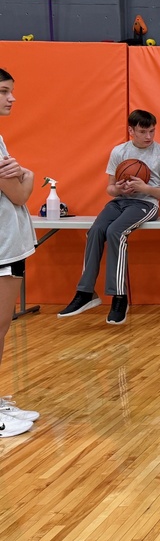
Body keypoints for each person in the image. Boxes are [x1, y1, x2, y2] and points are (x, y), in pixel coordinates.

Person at [58, 110, 160, 325]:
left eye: (152, 131)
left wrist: (145, 188)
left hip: (146, 204)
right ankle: (85, 293)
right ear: (131, 130)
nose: (149, 136)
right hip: (119, 202)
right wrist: (120, 189)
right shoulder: (119, 152)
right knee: (95, 231)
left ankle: (119, 297)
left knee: (116, 232)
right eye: (143, 131)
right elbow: (110, 189)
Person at [0, 69, 40, 437]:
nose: (11, 98)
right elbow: (20, 193)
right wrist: (26, 174)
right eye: (3, 92)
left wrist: (20, 175)